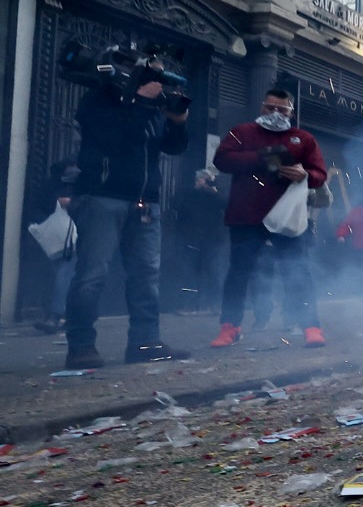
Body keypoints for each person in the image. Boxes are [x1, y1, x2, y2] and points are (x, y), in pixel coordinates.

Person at [63, 67, 192, 369]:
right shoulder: (100, 99)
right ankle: (81, 347)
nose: (158, 84)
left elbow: (174, 147)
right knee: (92, 274)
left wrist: (177, 123)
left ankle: (145, 343)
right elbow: (116, 141)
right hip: (103, 196)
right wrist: (142, 103)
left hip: (146, 202)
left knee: (146, 276)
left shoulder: (152, 108)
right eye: (152, 78)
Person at [209, 88, 326, 350]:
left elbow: (320, 174)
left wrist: (305, 174)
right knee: (239, 272)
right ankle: (229, 327)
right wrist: (261, 157)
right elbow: (222, 160)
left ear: (291, 112)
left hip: (286, 217)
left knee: (298, 271)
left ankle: (311, 326)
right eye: (269, 108)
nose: (275, 113)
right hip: (246, 215)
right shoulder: (242, 132)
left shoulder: (303, 139)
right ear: (262, 107)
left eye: (281, 109)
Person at [33, 160, 79, 335]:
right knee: (64, 274)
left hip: (60, 237)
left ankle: (57, 314)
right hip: (68, 235)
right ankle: (62, 314)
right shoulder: (77, 184)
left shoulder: (51, 185)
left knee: (62, 272)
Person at [172, 169, 227, 315]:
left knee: (213, 273)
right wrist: (195, 189)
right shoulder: (187, 192)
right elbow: (176, 204)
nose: (204, 183)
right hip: (191, 238)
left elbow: (225, 204)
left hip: (212, 240)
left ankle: (214, 305)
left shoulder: (215, 194)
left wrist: (213, 191)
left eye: (207, 180)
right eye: (202, 179)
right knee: (189, 273)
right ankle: (189, 305)